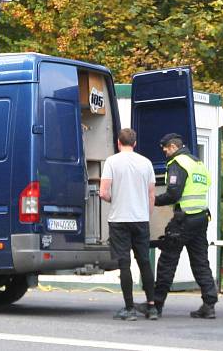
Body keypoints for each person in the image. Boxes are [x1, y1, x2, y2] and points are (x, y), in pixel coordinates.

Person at [137, 133, 218, 319]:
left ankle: (156, 304)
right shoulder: (198, 163)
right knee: (200, 261)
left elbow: (173, 194)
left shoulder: (177, 163)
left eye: (165, 147)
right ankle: (209, 304)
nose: (164, 151)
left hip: (183, 221)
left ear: (173, 146)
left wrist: (152, 200)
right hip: (200, 218)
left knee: (167, 260)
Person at [100, 128, 158, 321]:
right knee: (144, 262)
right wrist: (145, 213)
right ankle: (152, 307)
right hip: (140, 219)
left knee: (124, 264)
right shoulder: (146, 163)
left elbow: (103, 192)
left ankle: (129, 308)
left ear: (118, 142)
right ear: (135, 143)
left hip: (119, 220)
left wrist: (114, 199)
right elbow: (151, 194)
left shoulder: (111, 162)